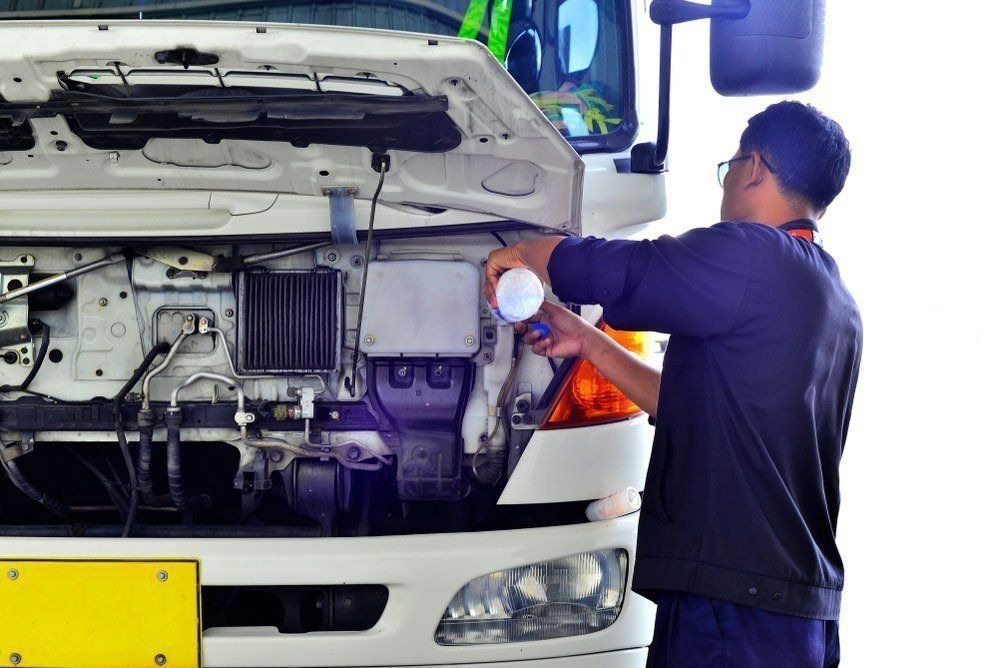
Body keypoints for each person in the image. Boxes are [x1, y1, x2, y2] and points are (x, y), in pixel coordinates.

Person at [483, 101, 860, 667]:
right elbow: (695, 406)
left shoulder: (754, 253)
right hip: (799, 613)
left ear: (753, 166)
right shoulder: (836, 302)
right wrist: (587, 341)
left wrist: (524, 254)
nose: (727, 181)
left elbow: (634, 269)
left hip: (735, 608)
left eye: (730, 166)